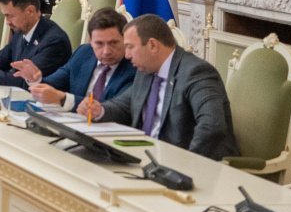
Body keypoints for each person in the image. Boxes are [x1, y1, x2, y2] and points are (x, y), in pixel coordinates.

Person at [97, 15, 239, 160]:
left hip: (185, 162)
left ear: (152, 45)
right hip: (144, 156)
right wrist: (98, 110)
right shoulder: (145, 71)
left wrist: (187, 164)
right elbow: (123, 106)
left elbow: (212, 125)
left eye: (130, 47)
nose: (127, 55)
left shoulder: (196, 72)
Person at [28, 8, 135, 117]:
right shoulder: (84, 53)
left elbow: (112, 109)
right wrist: (36, 80)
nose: (106, 51)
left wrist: (64, 99)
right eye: (99, 43)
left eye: (113, 43)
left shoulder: (134, 67)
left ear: (125, 40)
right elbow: (54, 86)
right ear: (90, 42)